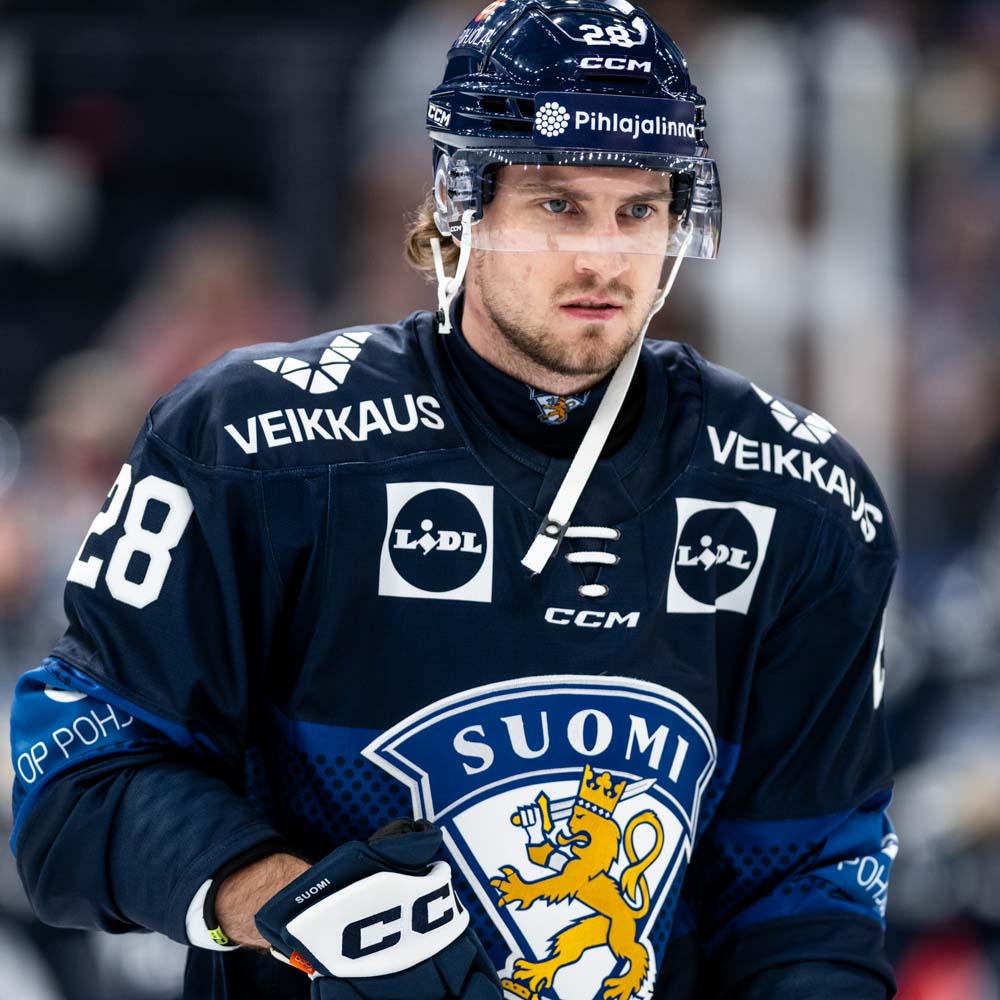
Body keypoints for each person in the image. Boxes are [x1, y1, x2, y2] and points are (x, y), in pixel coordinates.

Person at [10, 2, 899, 998]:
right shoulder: (254, 444)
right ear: (457, 202)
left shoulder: (797, 495)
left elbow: (804, 882)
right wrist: (285, 901)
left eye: (638, 210)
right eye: (559, 205)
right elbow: (81, 773)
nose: (604, 259)